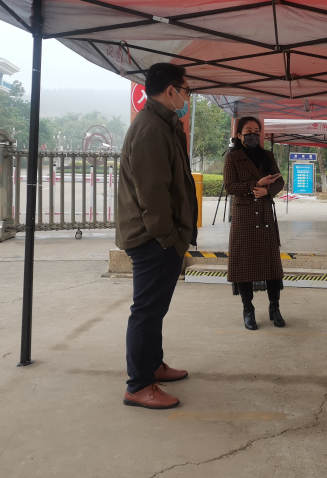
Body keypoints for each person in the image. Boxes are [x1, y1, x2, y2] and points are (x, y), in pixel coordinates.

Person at [116, 62, 198, 410]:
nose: (188, 97)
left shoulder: (162, 124)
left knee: (155, 309)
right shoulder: (150, 129)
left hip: (160, 236)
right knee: (147, 311)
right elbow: (153, 194)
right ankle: (138, 385)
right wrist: (169, 238)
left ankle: (153, 365)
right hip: (153, 238)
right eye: (186, 90)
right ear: (171, 91)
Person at [223, 116, 286, 331]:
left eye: (256, 131)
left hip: (265, 216)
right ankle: (248, 309)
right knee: (244, 266)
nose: (253, 135)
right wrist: (254, 186)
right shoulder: (232, 158)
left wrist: (267, 191)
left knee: (272, 266)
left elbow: (279, 181)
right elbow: (230, 186)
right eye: (248, 131)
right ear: (239, 135)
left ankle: (274, 308)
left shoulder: (268, 156)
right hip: (244, 218)